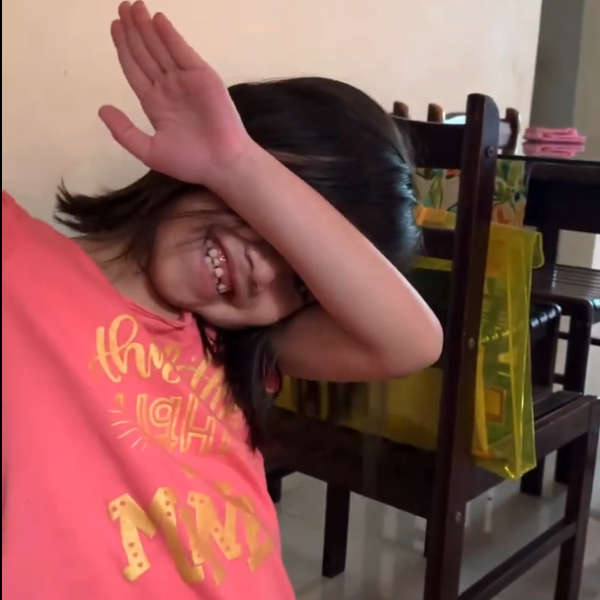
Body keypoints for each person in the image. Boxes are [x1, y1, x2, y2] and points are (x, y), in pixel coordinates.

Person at [1, 2, 442, 598]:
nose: (265, 271)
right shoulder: (18, 256)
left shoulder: (233, 344)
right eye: (269, 222)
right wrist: (232, 164)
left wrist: (239, 169)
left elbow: (412, 342)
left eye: (302, 281)